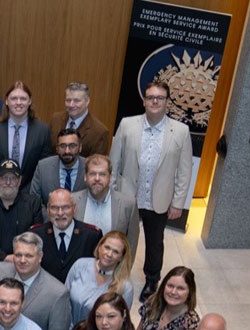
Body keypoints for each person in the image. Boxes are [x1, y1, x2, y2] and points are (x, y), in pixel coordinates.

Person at [109, 81, 193, 302]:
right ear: (144, 100)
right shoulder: (127, 125)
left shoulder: (181, 132)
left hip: (159, 200)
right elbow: (114, 162)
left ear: (167, 102)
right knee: (122, 239)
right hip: (129, 197)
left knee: (155, 243)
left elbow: (184, 171)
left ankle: (151, 280)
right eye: (151, 97)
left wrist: (178, 203)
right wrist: (112, 192)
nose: (155, 101)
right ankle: (117, 276)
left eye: (160, 98)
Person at [0, 82, 52, 192]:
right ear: (6, 101)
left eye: (23, 98)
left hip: (29, 197)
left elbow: (43, 169)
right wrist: (1, 190)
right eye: (14, 98)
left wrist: (24, 195)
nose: (18, 103)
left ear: (30, 101)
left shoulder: (42, 131)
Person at [71, 154, 139, 252]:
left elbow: (131, 243)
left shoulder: (128, 205)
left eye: (102, 174)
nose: (97, 178)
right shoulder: (72, 200)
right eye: (92, 174)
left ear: (110, 177)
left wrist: (125, 267)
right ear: (85, 177)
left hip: (114, 266)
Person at [65, 230, 134, 326]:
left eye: (116, 252)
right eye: (107, 248)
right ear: (99, 247)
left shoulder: (125, 287)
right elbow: (64, 299)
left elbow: (121, 322)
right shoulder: (80, 266)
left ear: (121, 257)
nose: (109, 254)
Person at [34, 188, 102, 283]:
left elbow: (98, 273)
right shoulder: (36, 235)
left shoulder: (91, 236)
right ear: (48, 209)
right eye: (54, 208)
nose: (60, 213)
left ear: (74, 208)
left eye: (66, 207)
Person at [49, 82, 110, 157]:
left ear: (87, 101)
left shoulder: (99, 132)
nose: (71, 105)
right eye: (68, 100)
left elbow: (96, 164)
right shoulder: (55, 119)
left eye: (76, 101)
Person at [30, 128, 86, 208]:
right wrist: (51, 218)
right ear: (57, 148)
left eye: (72, 146)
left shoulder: (89, 167)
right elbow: (34, 200)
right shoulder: (43, 167)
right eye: (63, 146)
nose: (67, 151)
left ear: (80, 147)